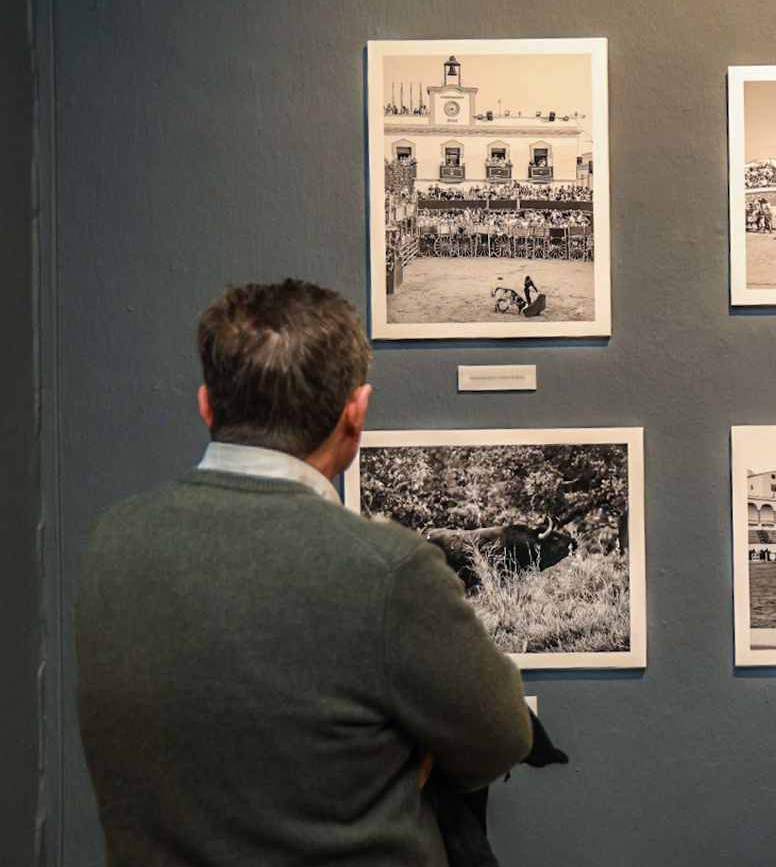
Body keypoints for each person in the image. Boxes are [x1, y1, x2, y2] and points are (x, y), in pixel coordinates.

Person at [76, 280, 532, 865]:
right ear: (356, 413)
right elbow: (503, 738)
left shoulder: (115, 538)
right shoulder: (390, 570)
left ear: (207, 405)